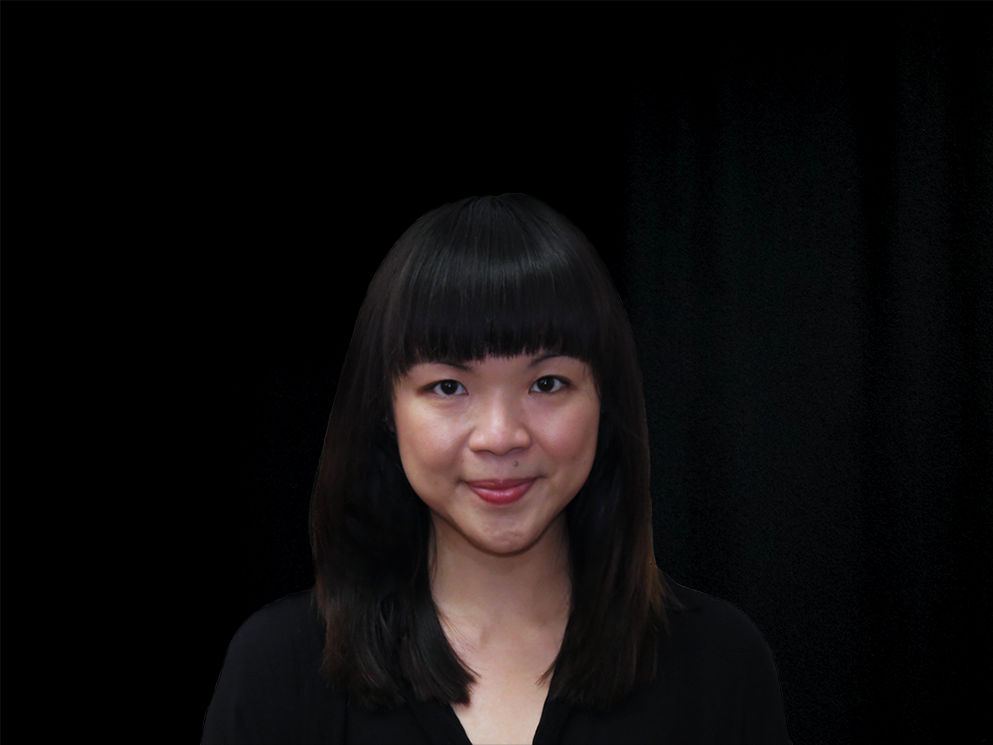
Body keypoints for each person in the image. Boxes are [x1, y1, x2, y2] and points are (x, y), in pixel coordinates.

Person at [203, 194, 790, 744]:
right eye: (449, 386)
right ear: (386, 411)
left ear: (605, 400)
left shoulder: (720, 663)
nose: (501, 435)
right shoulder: (277, 670)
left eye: (547, 383)